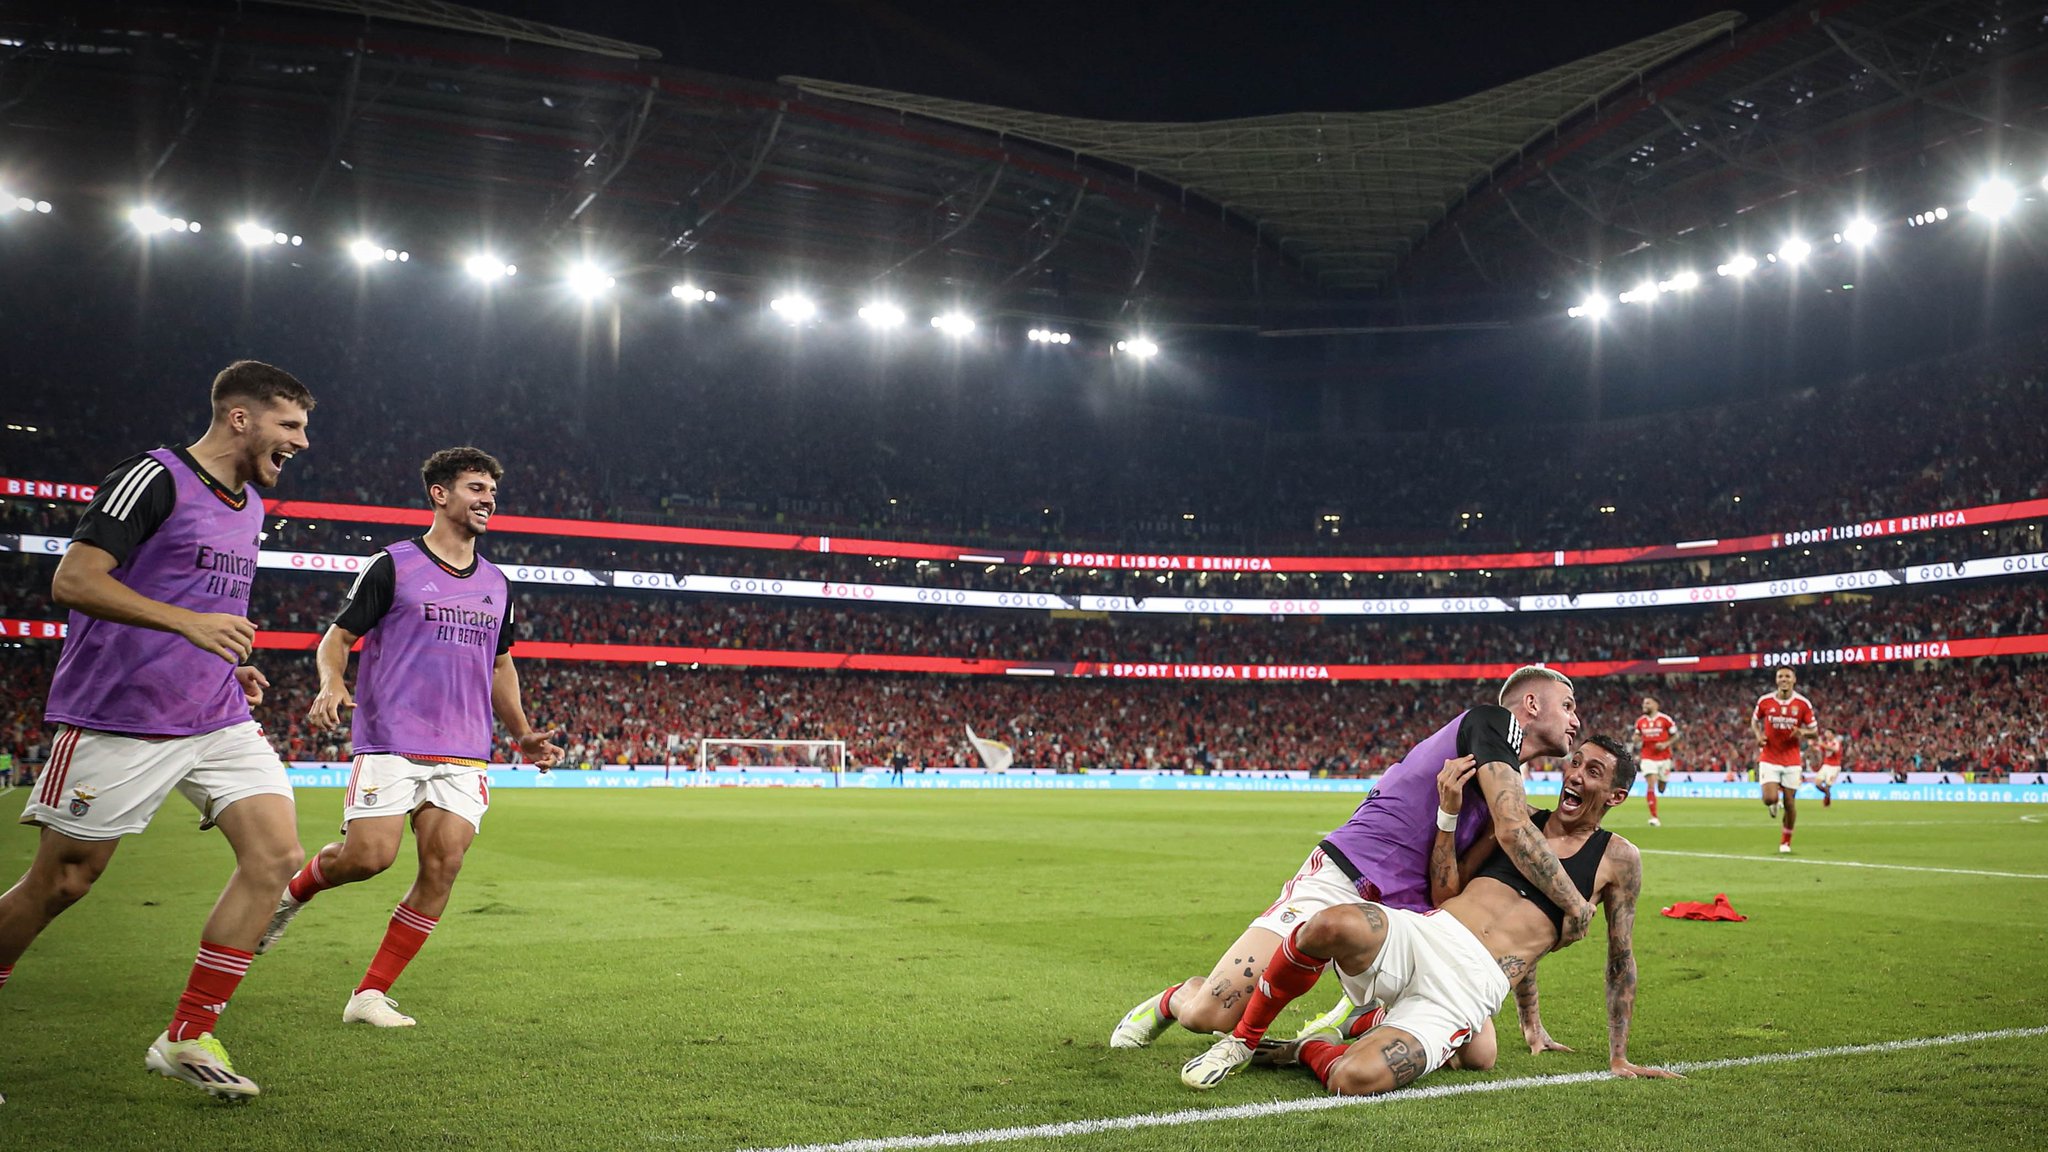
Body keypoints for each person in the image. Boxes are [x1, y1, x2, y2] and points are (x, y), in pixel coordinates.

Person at [0, 361, 314, 1100]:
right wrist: (188, 625)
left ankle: (186, 1035)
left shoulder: (250, 504)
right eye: (291, 425)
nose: (302, 441)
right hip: (121, 715)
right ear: (241, 417)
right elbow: (74, 580)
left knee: (276, 857)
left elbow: (196, 601)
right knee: (64, 881)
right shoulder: (154, 477)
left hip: (216, 714)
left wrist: (222, 658)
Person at [1109, 666, 1593, 1061]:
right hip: (1346, 877)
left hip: (1407, 916)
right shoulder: (1492, 722)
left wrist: (1532, 1024)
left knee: (1478, 1048)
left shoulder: (1506, 786)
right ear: (1531, 704)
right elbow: (1515, 830)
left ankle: (1357, 1016)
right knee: (1208, 1015)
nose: (1576, 720)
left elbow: (1463, 896)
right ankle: (1172, 1000)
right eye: (1568, 706)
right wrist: (1576, 905)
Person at [257, 447, 563, 1026]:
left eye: (493, 491)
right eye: (476, 488)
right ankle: (292, 893)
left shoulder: (497, 583)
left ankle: (369, 994)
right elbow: (337, 637)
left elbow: (500, 664)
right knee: (368, 858)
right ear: (440, 494)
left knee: (443, 867)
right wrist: (331, 682)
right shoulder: (393, 565)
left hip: (465, 750)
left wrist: (522, 733)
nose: (489, 499)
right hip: (392, 739)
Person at [1203, 737, 1678, 1094]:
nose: (1575, 775)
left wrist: (1618, 1056)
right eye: (1574, 762)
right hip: (1429, 933)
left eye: (1593, 771)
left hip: (1469, 987)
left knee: (1353, 1078)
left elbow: (1619, 960)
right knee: (1328, 924)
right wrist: (1448, 818)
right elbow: (1446, 889)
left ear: (1615, 796)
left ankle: (1307, 1046)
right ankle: (1244, 1040)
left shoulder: (1618, 859)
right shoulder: (1514, 822)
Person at [1753, 667, 1818, 853]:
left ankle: (1785, 842)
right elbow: (1754, 720)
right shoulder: (1765, 701)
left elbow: (1814, 731)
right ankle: (1774, 803)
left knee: (1790, 803)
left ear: (1794, 679)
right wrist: (1758, 735)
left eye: (1787, 676)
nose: (1784, 679)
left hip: (1791, 759)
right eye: (1780, 676)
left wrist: (1802, 732)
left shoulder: (1803, 704)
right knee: (1769, 798)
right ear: (1776, 680)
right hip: (1769, 756)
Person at [1631, 695, 1679, 827]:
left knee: (1661, 787)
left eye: (1648, 703)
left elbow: (1676, 735)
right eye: (1643, 703)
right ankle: (1654, 817)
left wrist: (1665, 744)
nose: (1644, 706)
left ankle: (1662, 783)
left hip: (1664, 758)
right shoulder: (1640, 721)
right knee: (1651, 784)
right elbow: (1636, 736)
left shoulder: (1665, 719)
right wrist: (1635, 739)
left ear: (1656, 705)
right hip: (1647, 757)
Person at [1816, 728, 1844, 807]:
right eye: (1826, 733)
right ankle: (1828, 794)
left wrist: (1822, 745)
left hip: (1834, 767)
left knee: (1827, 786)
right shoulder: (1825, 742)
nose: (1827, 734)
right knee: (1817, 784)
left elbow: (1834, 750)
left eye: (1828, 733)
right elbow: (1819, 749)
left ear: (1833, 735)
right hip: (1825, 765)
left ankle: (1827, 803)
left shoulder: (1836, 742)